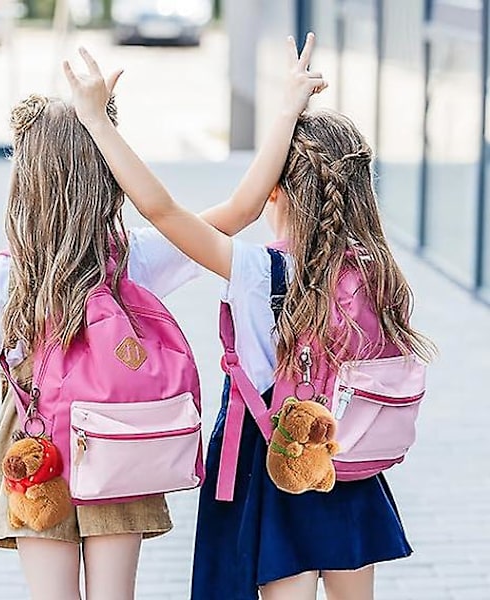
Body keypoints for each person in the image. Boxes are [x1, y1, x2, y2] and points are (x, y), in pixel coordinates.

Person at [0, 36, 325, 600]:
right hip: (121, 448)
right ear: (108, 177)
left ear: (28, 184)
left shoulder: (3, 279)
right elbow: (241, 209)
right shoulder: (135, 258)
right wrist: (287, 111)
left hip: (36, 459)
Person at [61, 36, 434, 600]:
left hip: (273, 457)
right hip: (351, 460)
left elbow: (161, 211)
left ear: (276, 191)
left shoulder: (259, 271)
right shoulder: (377, 268)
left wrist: (97, 120)